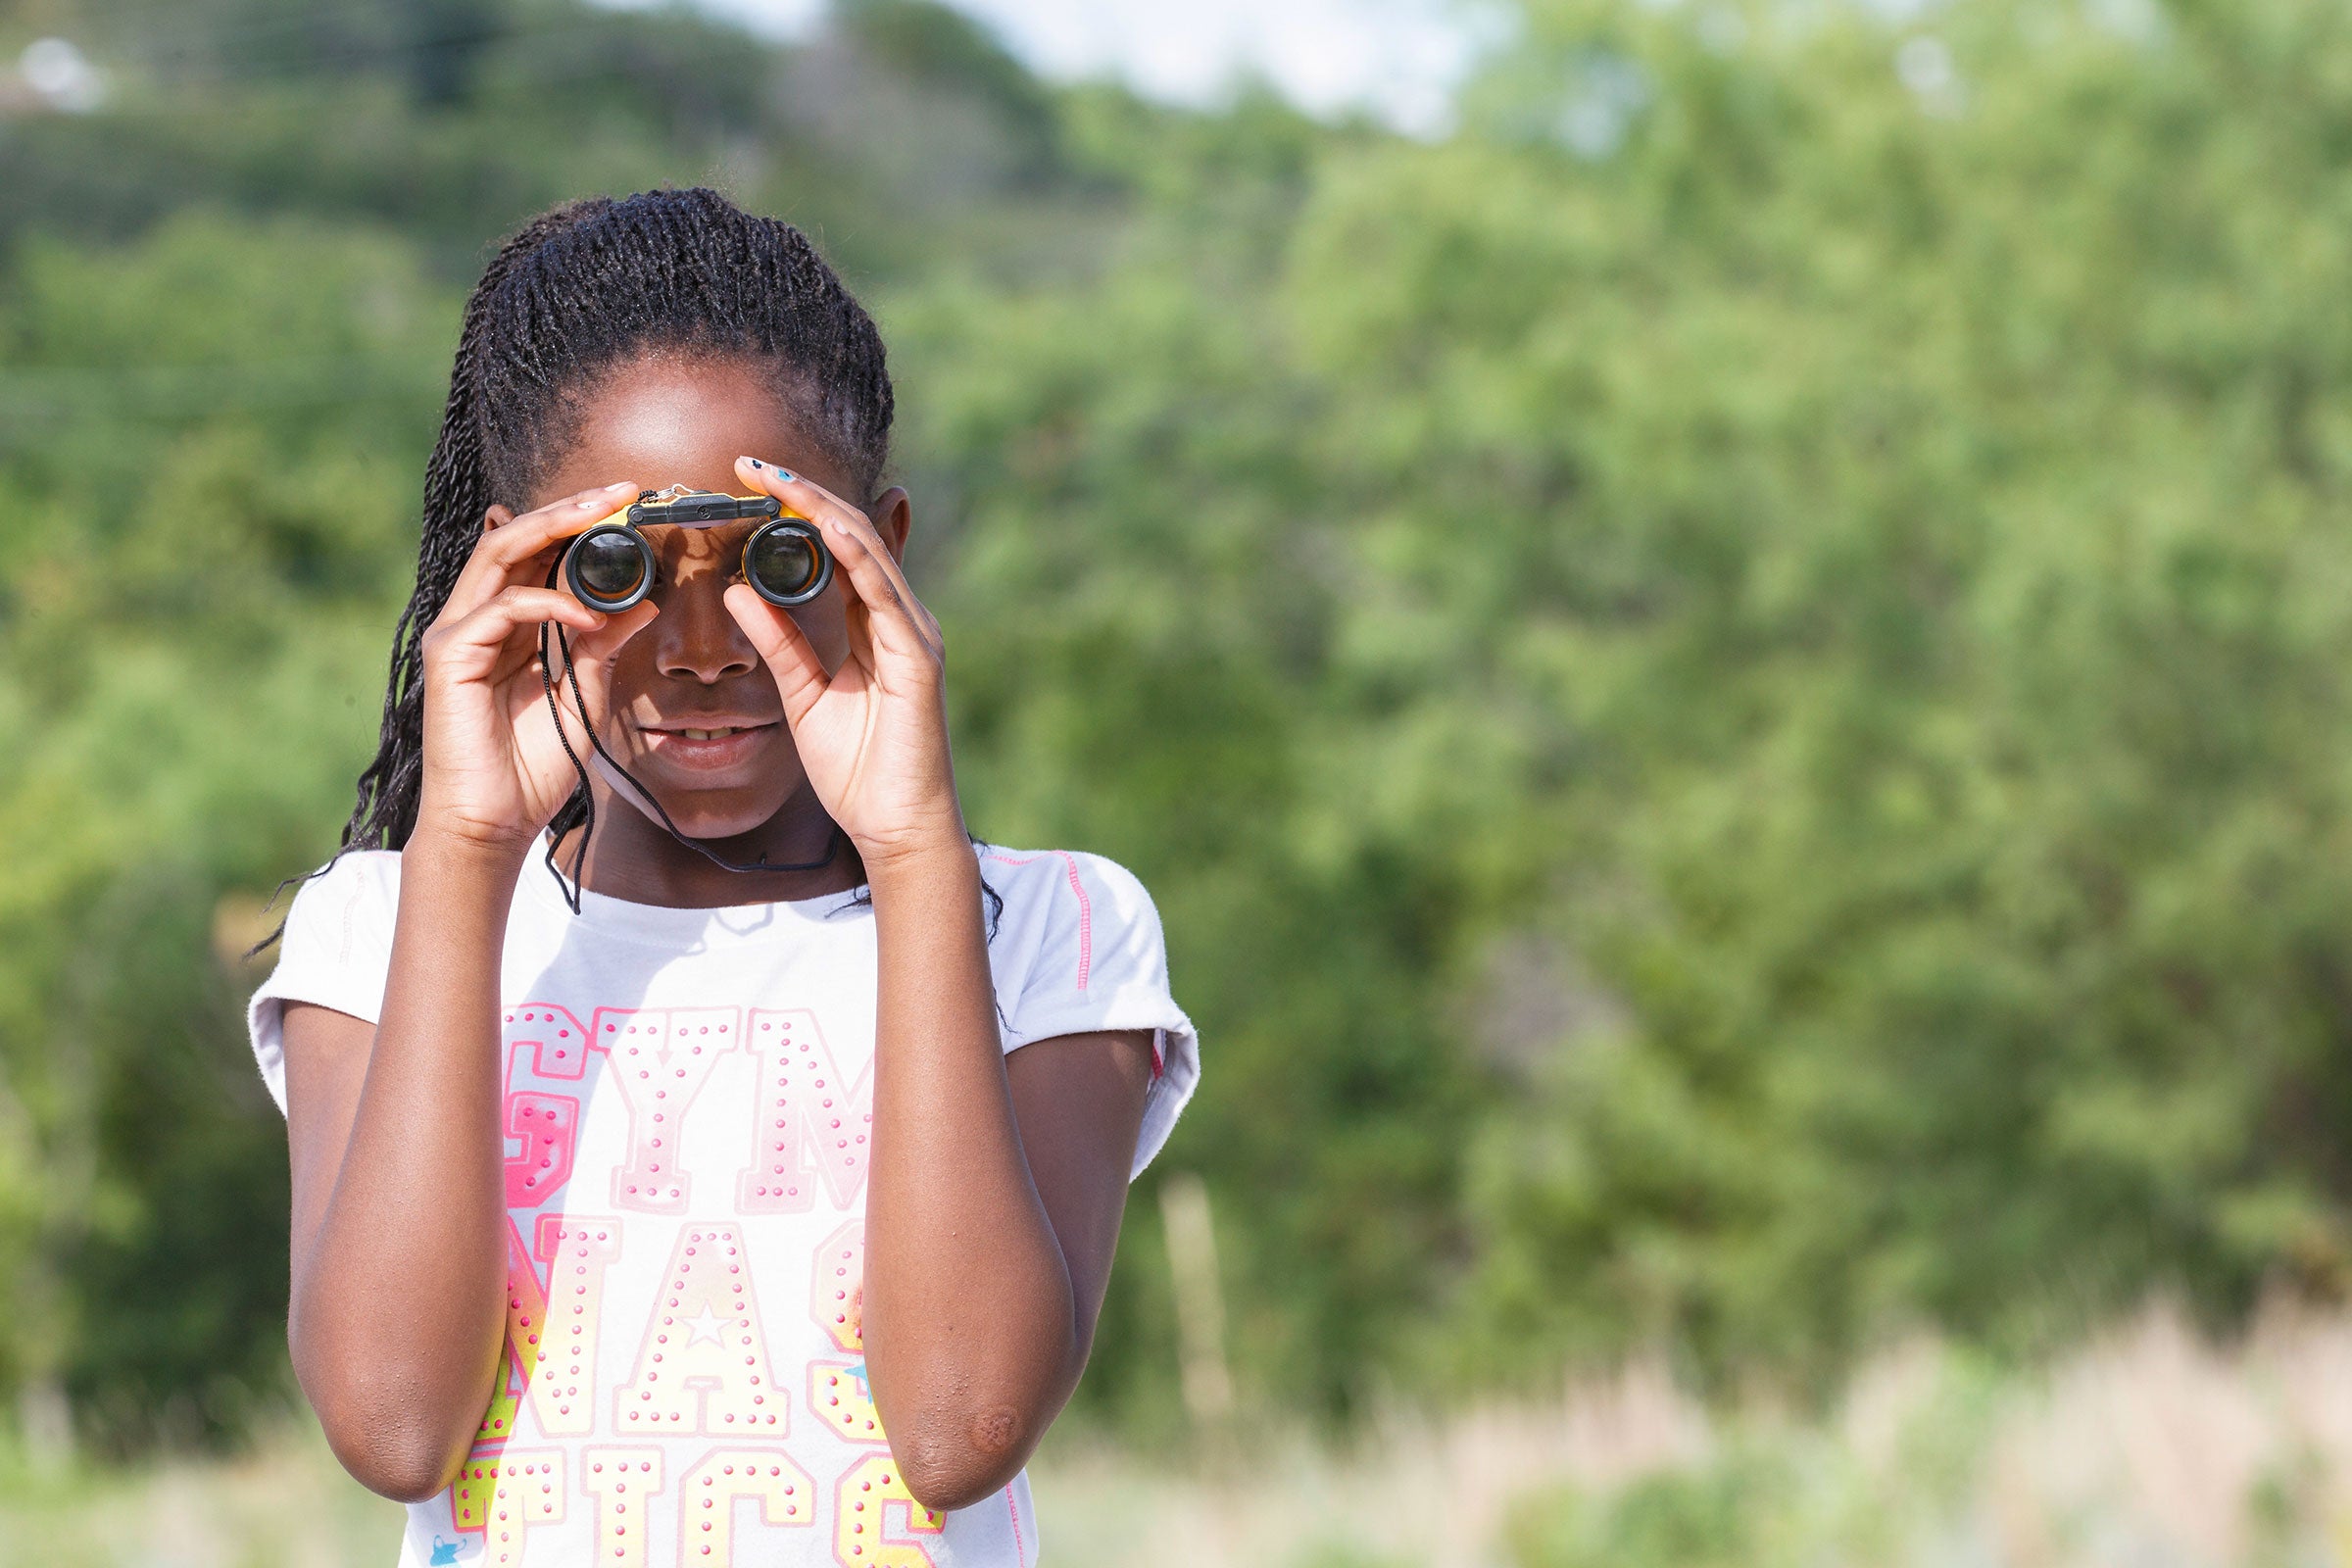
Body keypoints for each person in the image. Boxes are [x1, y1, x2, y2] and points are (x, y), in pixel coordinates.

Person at [245, 187, 1198, 1568]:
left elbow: (957, 1428)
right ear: (507, 574)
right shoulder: (382, 929)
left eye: (776, 562)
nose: (704, 647)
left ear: (885, 552)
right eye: (616, 569)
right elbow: (394, 1427)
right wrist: (465, 845)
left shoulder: (1056, 931)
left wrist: (915, 844)